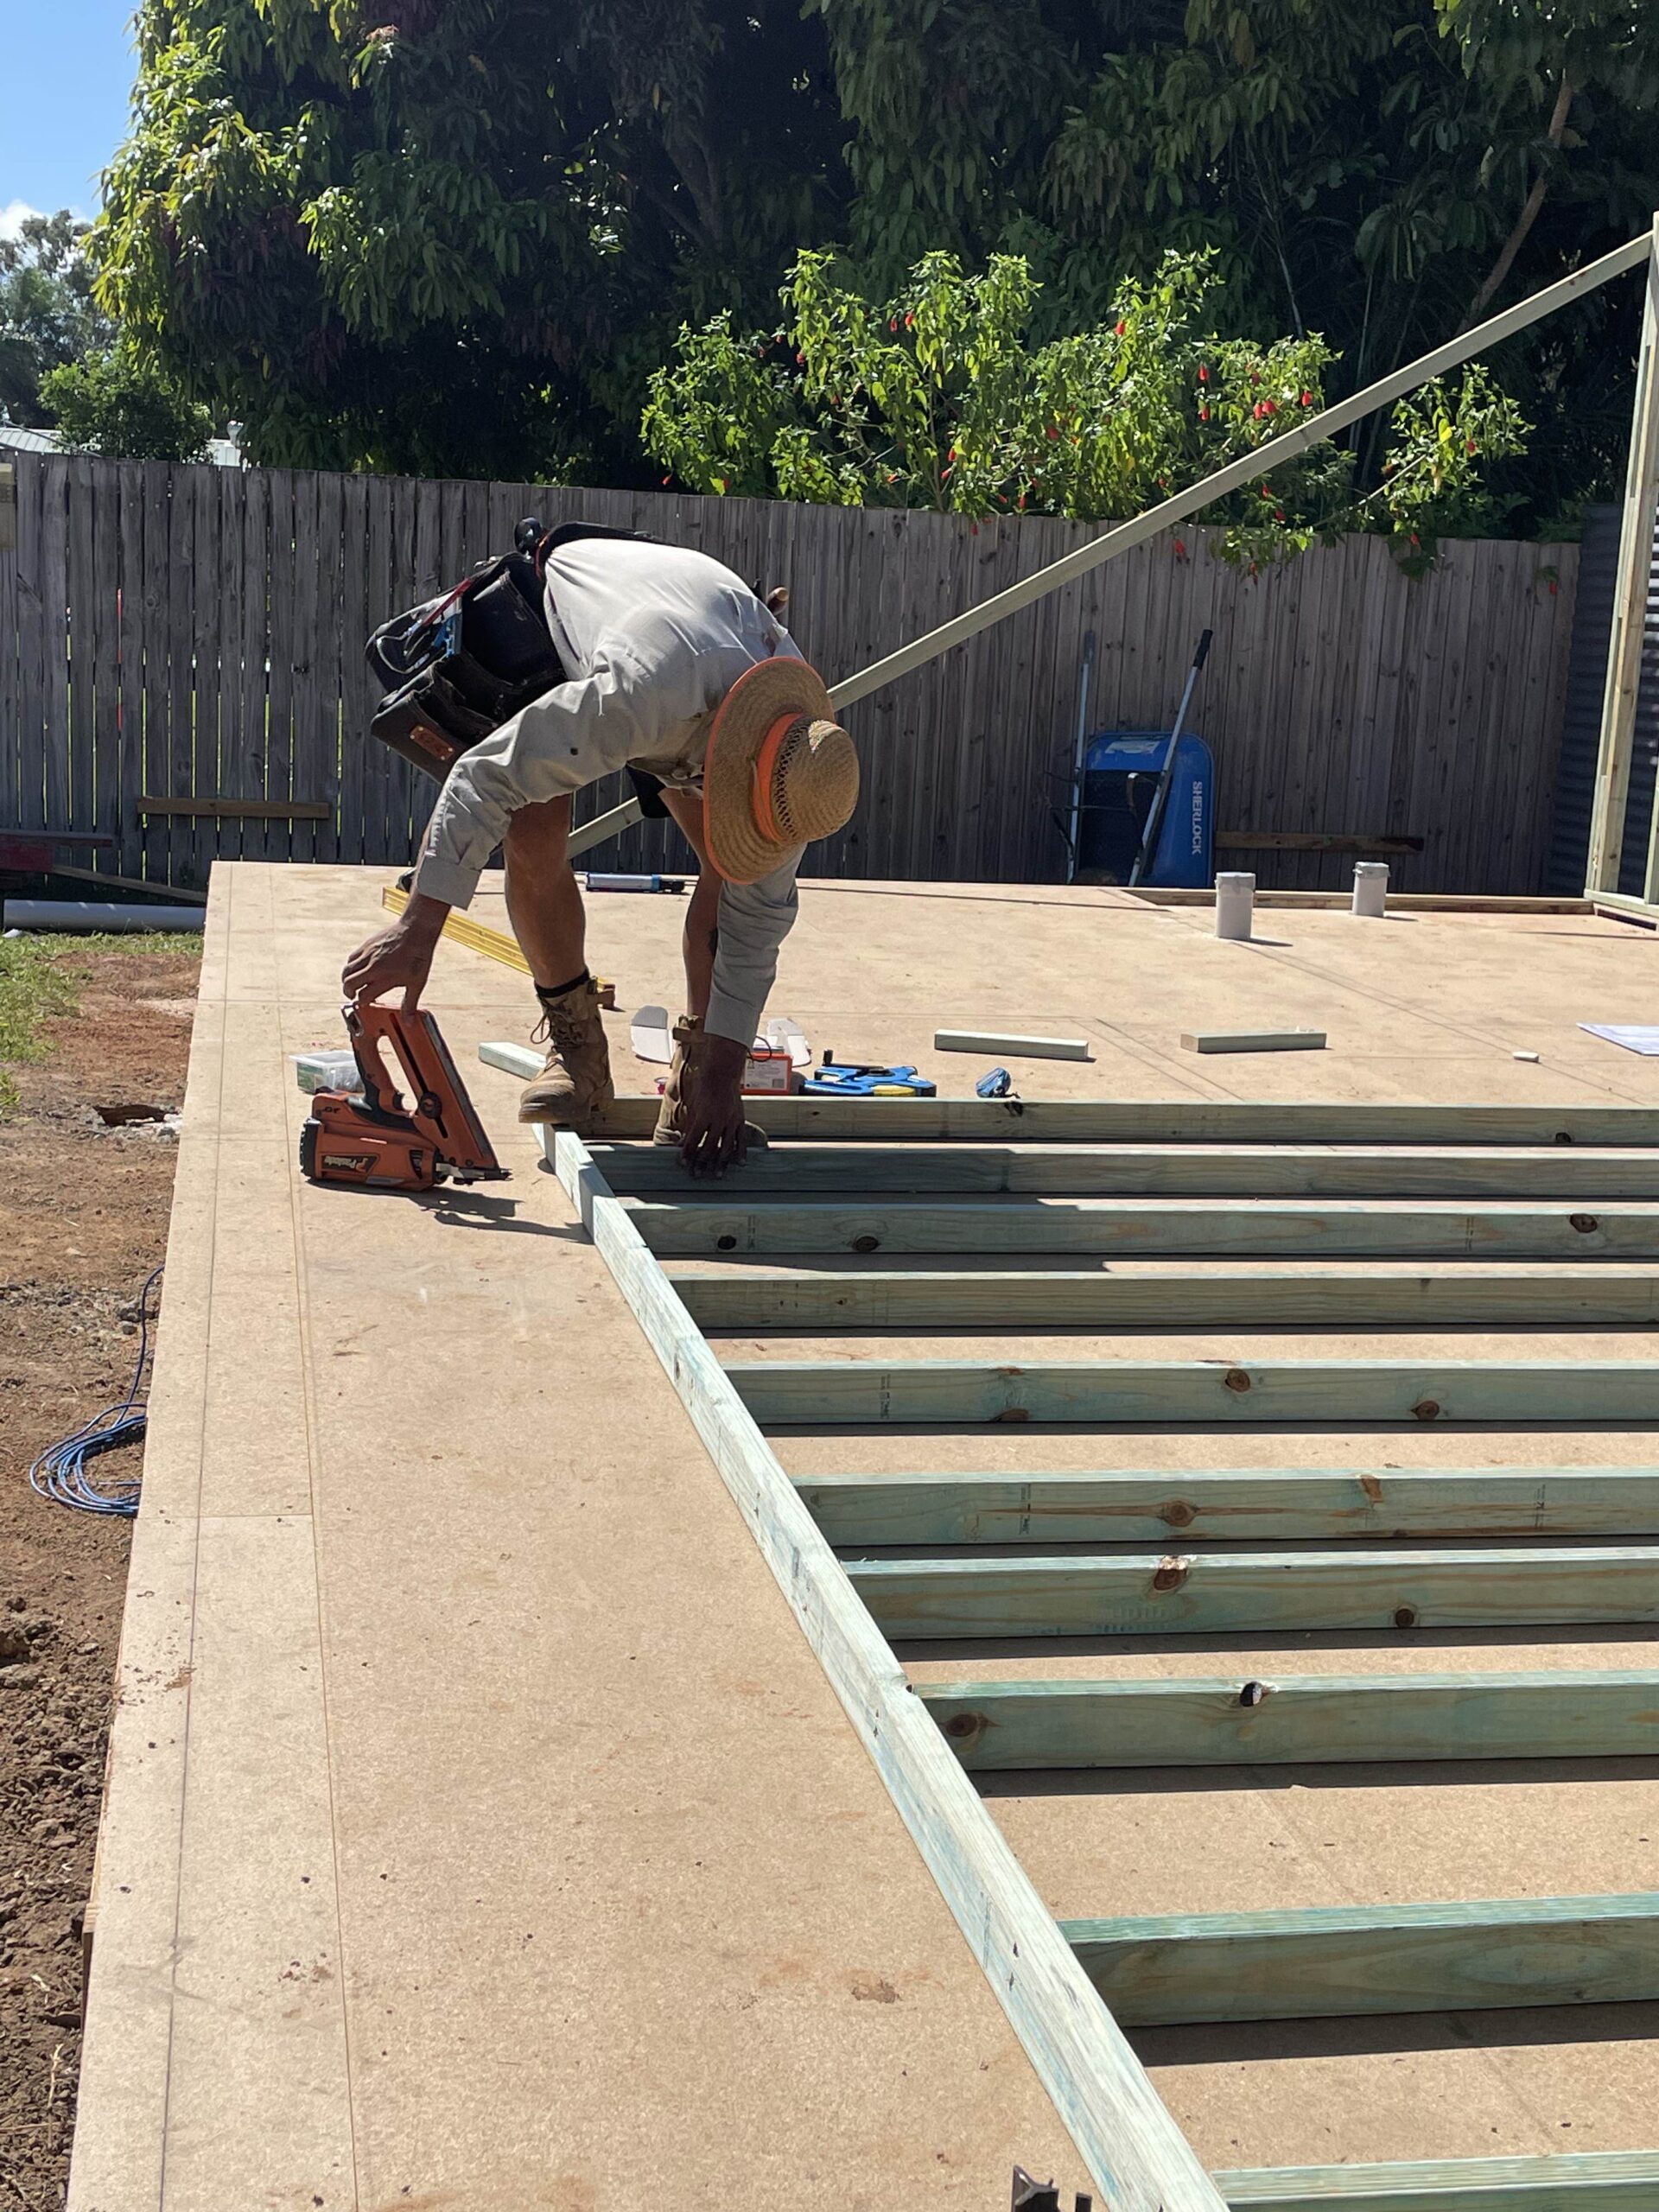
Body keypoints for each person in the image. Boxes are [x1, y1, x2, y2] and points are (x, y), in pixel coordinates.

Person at [341, 533, 858, 1176]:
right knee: (532, 834)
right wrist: (419, 926)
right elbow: (485, 778)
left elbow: (752, 933)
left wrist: (726, 1073)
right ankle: (577, 1050)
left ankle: (693, 1078)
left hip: (695, 650)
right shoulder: (640, 696)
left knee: (733, 874)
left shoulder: (801, 772)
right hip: (562, 623)